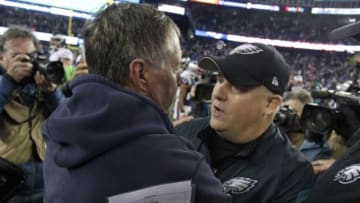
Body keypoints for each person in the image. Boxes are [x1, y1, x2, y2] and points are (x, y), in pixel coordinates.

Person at [42, 3, 229, 203]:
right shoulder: (178, 166)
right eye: (174, 68)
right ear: (140, 74)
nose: (178, 80)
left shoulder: (59, 134)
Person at [175, 43, 316, 203]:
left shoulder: (292, 174)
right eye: (219, 80)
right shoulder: (181, 134)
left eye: (236, 86)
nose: (218, 93)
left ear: (271, 105)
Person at [0, 26, 64, 202]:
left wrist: (51, 91)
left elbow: (65, 120)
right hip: (9, 187)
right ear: (1, 58)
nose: (26, 63)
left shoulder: (39, 84)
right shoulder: (2, 84)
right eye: (17, 57)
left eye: (30, 57)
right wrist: (9, 81)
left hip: (45, 184)